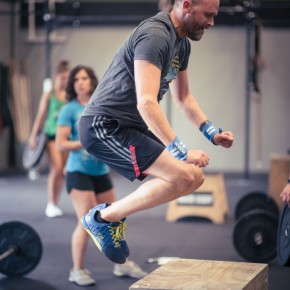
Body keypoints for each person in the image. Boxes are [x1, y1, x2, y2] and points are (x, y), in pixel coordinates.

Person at [78, 0, 234, 264]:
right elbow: (146, 102)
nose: (211, 22)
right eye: (208, 15)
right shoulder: (155, 35)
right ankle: (101, 219)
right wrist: (181, 151)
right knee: (185, 172)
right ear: (186, 6)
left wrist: (211, 132)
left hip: (129, 126)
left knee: (193, 178)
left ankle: (105, 217)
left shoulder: (181, 44)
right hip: (104, 126)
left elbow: (183, 97)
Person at [56, 65, 147, 286]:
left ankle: (122, 264)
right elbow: (60, 143)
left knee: (114, 218)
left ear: (92, 82)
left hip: (101, 172)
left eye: (84, 78)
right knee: (86, 222)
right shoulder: (69, 110)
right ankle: (77, 269)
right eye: (76, 79)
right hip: (79, 172)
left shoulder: (101, 106)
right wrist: (87, 142)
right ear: (72, 85)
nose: (80, 82)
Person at [29, 60, 70, 218]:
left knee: (61, 172)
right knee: (57, 168)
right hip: (51, 136)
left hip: (66, 137)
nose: (65, 81)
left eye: (67, 78)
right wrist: (33, 136)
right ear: (56, 77)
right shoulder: (49, 94)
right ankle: (50, 203)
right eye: (62, 77)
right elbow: (40, 116)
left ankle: (55, 203)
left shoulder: (69, 96)